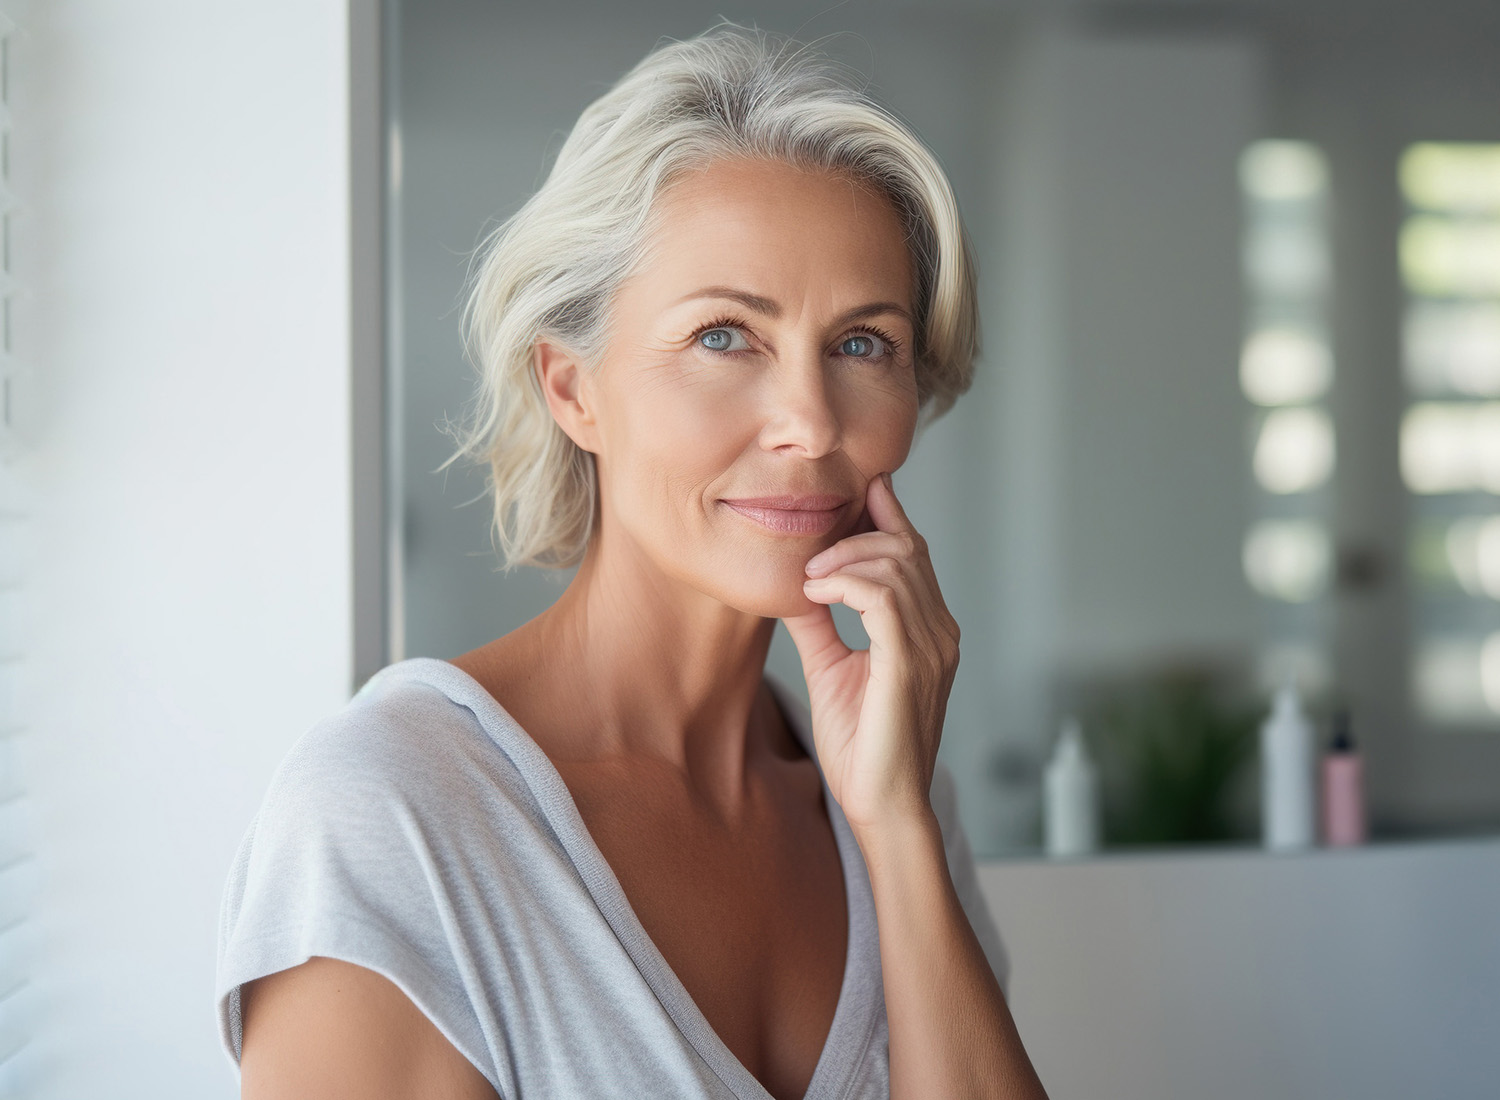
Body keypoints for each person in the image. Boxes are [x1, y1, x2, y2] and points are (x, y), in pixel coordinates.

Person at [217, 25, 1048, 1100]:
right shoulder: (393, 817)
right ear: (573, 389)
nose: (809, 421)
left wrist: (896, 829)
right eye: (724, 335)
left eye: (861, 343)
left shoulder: (889, 789)